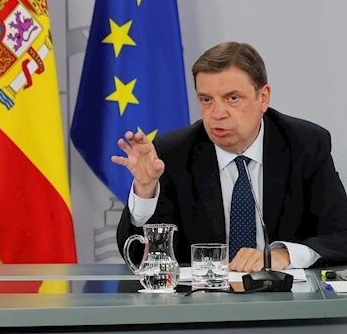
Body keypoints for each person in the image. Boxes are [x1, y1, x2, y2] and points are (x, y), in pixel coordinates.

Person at [114, 42, 347, 270]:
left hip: (286, 294)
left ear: (263, 97)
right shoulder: (172, 153)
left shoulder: (305, 145)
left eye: (232, 98)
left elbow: (341, 236)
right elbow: (138, 258)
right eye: (206, 100)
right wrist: (145, 191)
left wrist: (283, 255)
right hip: (203, 294)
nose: (217, 114)